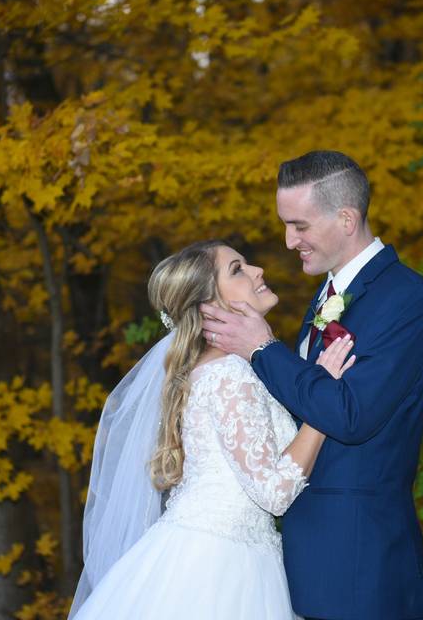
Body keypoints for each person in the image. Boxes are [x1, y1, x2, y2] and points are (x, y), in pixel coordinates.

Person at [201, 150, 423, 620]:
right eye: (285, 224)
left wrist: (263, 349)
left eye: (300, 226)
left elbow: (351, 416)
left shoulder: (407, 298)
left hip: (357, 564)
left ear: (347, 218)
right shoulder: (325, 297)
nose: (289, 241)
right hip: (302, 558)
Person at [67, 239, 356, 619]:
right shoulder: (229, 374)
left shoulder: (216, 368)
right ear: (209, 305)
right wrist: (324, 404)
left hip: (208, 551)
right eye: (237, 269)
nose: (258, 271)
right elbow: (274, 492)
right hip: (221, 563)